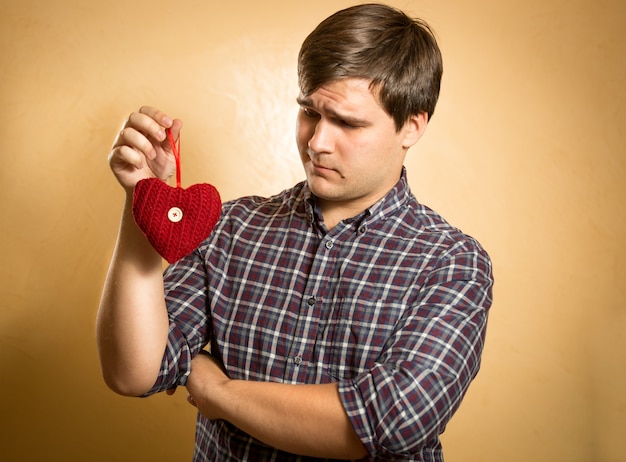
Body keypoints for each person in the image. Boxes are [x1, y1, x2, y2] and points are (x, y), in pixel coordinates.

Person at [97, 3, 494, 461]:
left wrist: (219, 392)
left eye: (348, 122)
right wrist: (142, 198)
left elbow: (390, 422)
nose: (317, 142)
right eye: (309, 112)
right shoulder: (232, 226)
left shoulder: (451, 262)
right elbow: (134, 372)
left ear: (411, 126)